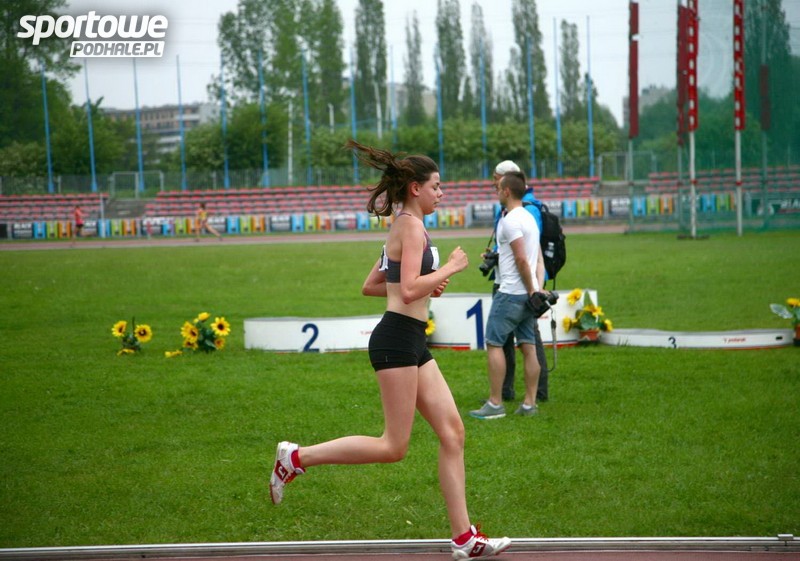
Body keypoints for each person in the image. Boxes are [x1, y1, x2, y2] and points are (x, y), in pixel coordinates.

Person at [270, 140, 511, 560]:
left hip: (410, 338)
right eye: (436, 186)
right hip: (397, 339)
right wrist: (449, 268)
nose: (441, 193)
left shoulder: (405, 224)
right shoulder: (410, 227)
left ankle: (464, 538)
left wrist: (426, 283)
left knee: (453, 432)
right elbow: (408, 289)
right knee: (393, 446)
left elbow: (375, 285)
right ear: (416, 188)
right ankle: (296, 457)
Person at [471, 170, 547, 420]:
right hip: (527, 295)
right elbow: (537, 260)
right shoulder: (529, 218)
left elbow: (521, 259)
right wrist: (535, 291)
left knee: (494, 343)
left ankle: (495, 403)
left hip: (511, 293)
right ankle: (529, 404)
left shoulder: (510, 220)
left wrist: (530, 289)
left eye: (498, 188)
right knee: (528, 347)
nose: (496, 192)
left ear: (506, 191)